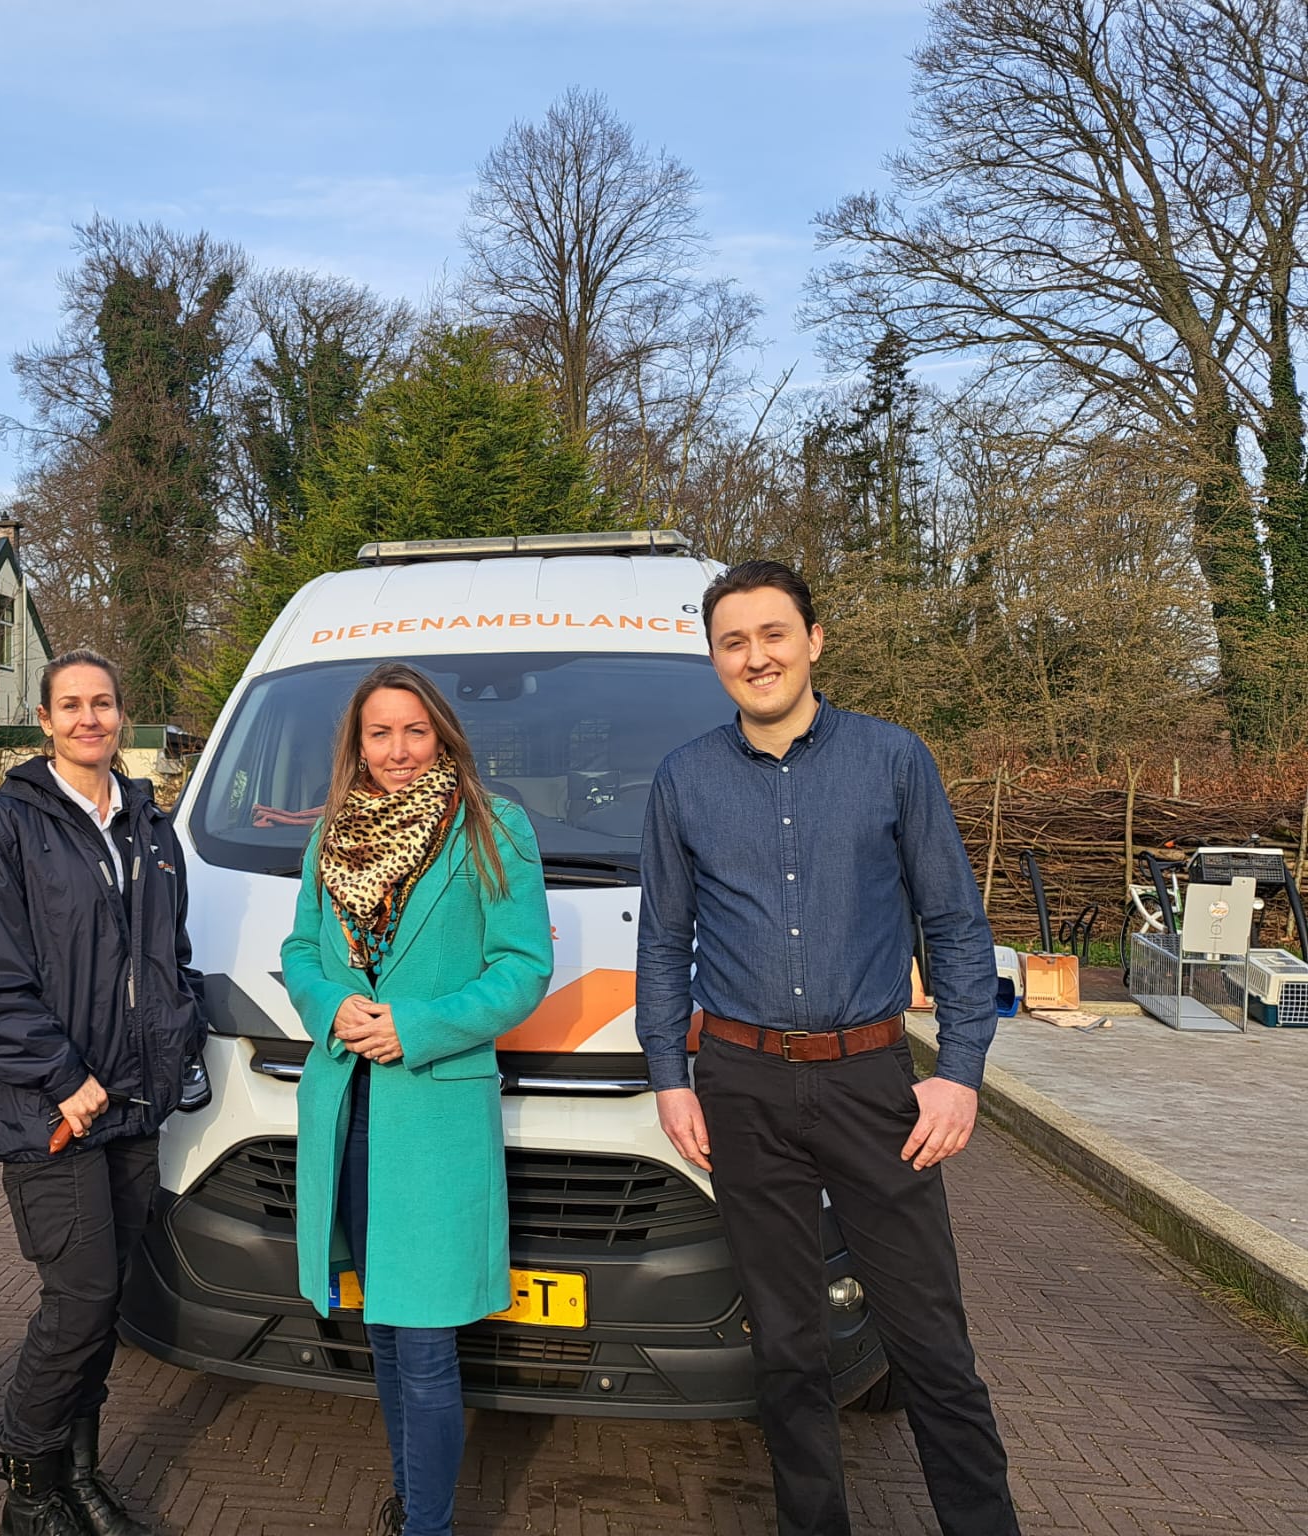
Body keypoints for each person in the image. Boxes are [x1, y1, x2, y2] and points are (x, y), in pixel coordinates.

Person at [635, 559, 1020, 1536]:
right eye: (732, 641)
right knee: (786, 1346)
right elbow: (661, 942)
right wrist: (669, 1079)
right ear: (712, 658)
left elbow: (954, 926)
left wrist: (960, 1073)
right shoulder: (682, 779)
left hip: (869, 1083)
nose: (753, 656)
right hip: (739, 1085)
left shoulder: (892, 760)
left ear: (812, 641)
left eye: (771, 634)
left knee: (929, 1341)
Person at [280, 661, 553, 1536]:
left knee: (429, 1344)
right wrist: (334, 1006)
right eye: (378, 733)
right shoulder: (329, 835)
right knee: (385, 1332)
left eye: (414, 731)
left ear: (442, 734)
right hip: (349, 1111)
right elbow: (301, 953)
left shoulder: (492, 825)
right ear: (355, 744)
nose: (397, 751)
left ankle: (428, 1525)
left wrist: (419, 1025)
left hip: (432, 1113)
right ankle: (411, 1504)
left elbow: (522, 967)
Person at [0, 649, 205, 1536]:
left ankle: (78, 1479)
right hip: (51, 1105)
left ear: (121, 716)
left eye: (102, 703)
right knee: (80, 1297)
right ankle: (25, 1481)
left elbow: (169, 959)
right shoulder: (7, 829)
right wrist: (65, 1079)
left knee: (109, 1298)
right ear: (46, 721)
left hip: (134, 1102)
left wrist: (180, 1039)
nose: (89, 718)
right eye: (70, 706)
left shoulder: (150, 826)